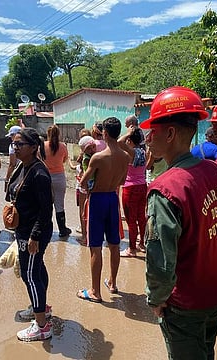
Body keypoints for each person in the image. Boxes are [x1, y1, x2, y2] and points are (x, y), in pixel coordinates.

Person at [140, 86, 217, 360]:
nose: (149, 139)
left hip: (186, 304)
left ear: (170, 133)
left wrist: (157, 298)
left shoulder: (166, 188)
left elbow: (160, 259)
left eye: (154, 131)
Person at [7, 127, 53, 342]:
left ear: (34, 147)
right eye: (14, 144)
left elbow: (46, 209)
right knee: (37, 268)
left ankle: (42, 325)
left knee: (30, 275)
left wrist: (34, 236)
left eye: (19, 144)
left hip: (34, 232)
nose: (15, 148)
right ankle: (42, 308)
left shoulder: (39, 172)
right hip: (24, 229)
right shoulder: (22, 166)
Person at [77, 117, 129, 302]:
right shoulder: (125, 157)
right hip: (112, 199)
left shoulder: (98, 157)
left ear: (105, 133)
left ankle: (95, 291)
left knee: (95, 246)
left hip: (97, 200)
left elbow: (83, 182)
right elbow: (122, 181)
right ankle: (113, 283)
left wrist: (86, 181)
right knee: (114, 244)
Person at [118, 126, 147, 257]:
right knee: (141, 217)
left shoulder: (132, 152)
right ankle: (142, 243)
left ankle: (132, 249)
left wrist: (128, 133)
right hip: (142, 186)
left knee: (131, 220)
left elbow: (119, 142)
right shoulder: (144, 152)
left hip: (130, 188)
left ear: (130, 139)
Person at [44, 124, 71, 237]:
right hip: (59, 177)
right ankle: (62, 230)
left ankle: (46, 230)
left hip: (46, 177)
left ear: (48, 134)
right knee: (59, 205)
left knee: (46, 205)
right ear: (58, 134)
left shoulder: (43, 145)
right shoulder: (63, 146)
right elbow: (65, 159)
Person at [4, 125, 22, 194]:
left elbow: (12, 164)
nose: (11, 138)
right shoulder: (28, 144)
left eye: (11, 136)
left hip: (18, 173)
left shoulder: (13, 146)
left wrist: (7, 179)